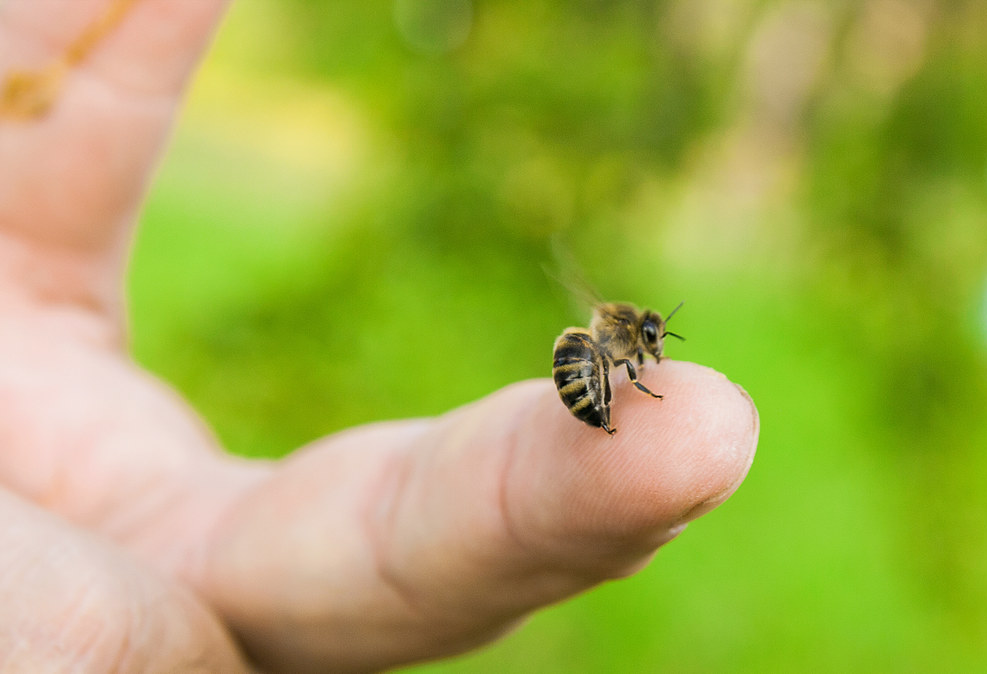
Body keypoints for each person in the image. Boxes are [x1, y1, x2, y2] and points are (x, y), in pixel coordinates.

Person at [0, 1, 758, 671]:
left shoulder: (620, 339)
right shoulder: (615, 338)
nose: (654, 346)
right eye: (651, 343)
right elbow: (610, 350)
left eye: (651, 346)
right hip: (585, 375)